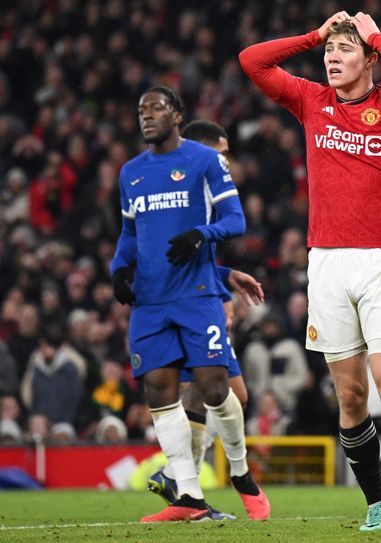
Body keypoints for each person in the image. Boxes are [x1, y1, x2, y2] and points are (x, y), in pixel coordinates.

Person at [240, 10, 381, 532]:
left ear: (370, 59)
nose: (332, 57)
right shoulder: (312, 101)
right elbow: (252, 61)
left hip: (380, 260)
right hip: (325, 263)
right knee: (349, 396)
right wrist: (313, 34)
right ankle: (375, 505)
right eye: (329, 51)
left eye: (345, 50)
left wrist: (376, 36)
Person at [111, 86, 252, 522]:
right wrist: (119, 269)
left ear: (177, 115)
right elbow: (129, 233)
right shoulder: (131, 172)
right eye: (141, 110)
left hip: (196, 295)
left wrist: (200, 235)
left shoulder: (205, 161)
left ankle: (241, 471)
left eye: (156, 108)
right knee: (158, 390)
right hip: (150, 302)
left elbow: (236, 220)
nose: (147, 115)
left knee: (215, 387)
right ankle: (189, 495)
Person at [144, 119, 270, 520]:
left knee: (231, 395)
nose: (225, 162)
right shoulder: (171, 190)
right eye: (220, 153)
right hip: (177, 305)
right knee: (206, 391)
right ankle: (191, 486)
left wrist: (224, 276)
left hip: (202, 294)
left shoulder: (205, 192)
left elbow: (189, 256)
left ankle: (181, 483)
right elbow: (163, 260)